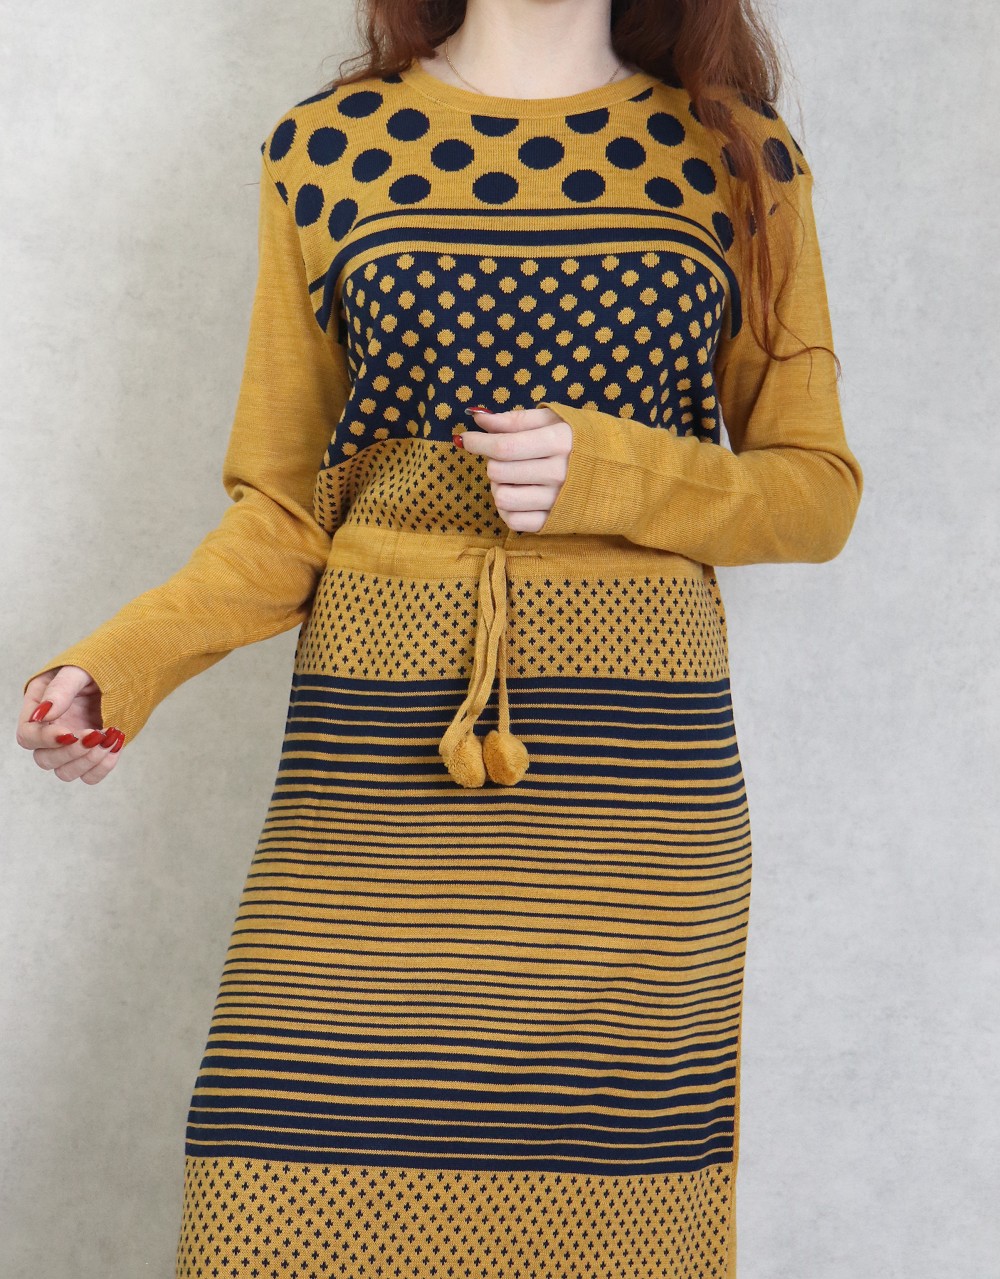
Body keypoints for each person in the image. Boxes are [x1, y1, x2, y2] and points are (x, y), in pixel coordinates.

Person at [17, 0, 864, 1272]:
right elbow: (285, 509)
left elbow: (815, 490)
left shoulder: (735, 154)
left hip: (624, 799)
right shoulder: (326, 147)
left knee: (604, 1225)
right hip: (372, 758)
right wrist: (119, 663)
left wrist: (612, 472)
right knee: (269, 1198)